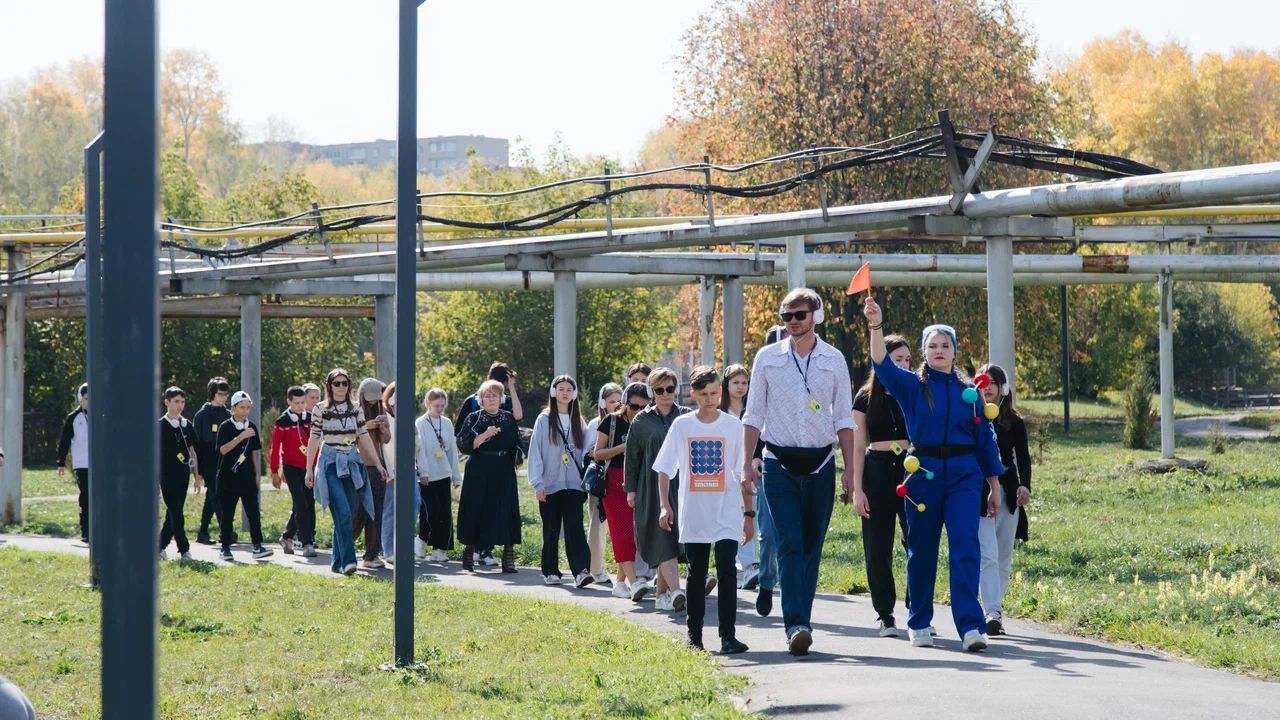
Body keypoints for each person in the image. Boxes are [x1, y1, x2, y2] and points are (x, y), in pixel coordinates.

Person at [863, 297, 1004, 652]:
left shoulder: (970, 393)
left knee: (965, 548)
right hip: (923, 473)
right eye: (932, 346)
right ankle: (919, 621)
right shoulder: (912, 386)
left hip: (964, 475)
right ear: (924, 353)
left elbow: (985, 441)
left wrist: (994, 485)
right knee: (921, 550)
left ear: (955, 352)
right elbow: (881, 362)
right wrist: (876, 326)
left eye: (946, 345)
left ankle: (970, 627)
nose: (939, 350)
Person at [742, 288, 857, 656]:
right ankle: (796, 625)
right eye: (787, 315)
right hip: (778, 462)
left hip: (822, 462)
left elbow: (843, 418)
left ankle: (801, 618)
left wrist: (850, 470)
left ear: (816, 316)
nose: (793, 322)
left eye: (800, 315)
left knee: (811, 546)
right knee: (789, 542)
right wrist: (747, 463)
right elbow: (753, 415)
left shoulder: (834, 359)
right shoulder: (767, 358)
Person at [655, 366, 752, 654]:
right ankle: (694, 636)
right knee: (697, 574)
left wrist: (748, 515)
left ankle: (728, 636)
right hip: (694, 512)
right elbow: (663, 469)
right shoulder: (682, 426)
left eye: (714, 393)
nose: (710, 399)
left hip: (727, 511)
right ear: (694, 394)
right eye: (704, 394)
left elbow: (741, 476)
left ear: (720, 392)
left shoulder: (733, 426)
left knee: (727, 572)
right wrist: (664, 505)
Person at [852, 334, 914, 637]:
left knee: (916, 540)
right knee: (878, 546)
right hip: (876, 471)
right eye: (896, 359)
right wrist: (857, 488)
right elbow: (857, 444)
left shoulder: (914, 390)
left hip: (911, 471)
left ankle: (917, 607)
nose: (902, 365)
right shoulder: (865, 397)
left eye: (906, 360)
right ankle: (885, 614)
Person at [305, 368, 385, 576]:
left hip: (351, 462)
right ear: (329, 386)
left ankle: (337, 561)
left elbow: (364, 436)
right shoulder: (320, 409)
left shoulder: (356, 408)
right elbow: (313, 439)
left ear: (349, 386)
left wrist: (377, 464)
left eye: (344, 383)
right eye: (336, 383)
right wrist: (309, 470)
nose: (341, 387)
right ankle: (349, 561)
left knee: (346, 513)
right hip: (330, 462)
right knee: (343, 511)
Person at [626, 367, 689, 612]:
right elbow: (631, 457)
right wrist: (630, 490)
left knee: (672, 539)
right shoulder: (641, 421)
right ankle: (676, 591)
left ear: (676, 389)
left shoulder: (685, 416)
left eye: (670, 389)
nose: (665, 394)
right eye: (659, 390)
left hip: (681, 485)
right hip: (650, 488)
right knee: (660, 536)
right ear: (652, 392)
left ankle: (662, 594)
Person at [975, 363, 1031, 637]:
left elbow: (1023, 458)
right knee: (987, 554)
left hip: (1008, 494)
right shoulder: (972, 417)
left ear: (1003, 389)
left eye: (993, 383)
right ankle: (989, 610)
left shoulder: (1014, 422)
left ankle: (994, 608)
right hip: (977, 493)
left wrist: (1024, 487)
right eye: (983, 382)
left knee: (1003, 555)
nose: (987, 388)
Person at [721, 364, 780, 617]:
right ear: (727, 385)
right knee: (729, 520)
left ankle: (748, 565)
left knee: (751, 516)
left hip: (749, 472)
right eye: (736, 382)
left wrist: (755, 461)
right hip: (724, 472)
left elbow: (759, 440)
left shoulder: (753, 411)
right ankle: (735, 566)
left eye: (744, 382)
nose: (741, 387)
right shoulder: (720, 412)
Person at [454, 361, 523, 567]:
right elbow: (464, 444)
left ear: (501, 399)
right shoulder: (474, 418)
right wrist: (485, 435)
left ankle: (508, 556)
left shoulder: (508, 417)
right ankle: (470, 551)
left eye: (495, 395)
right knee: (476, 507)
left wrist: (516, 453)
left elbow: (517, 441)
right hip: (479, 467)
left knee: (506, 508)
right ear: (481, 399)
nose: (492, 399)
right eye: (488, 396)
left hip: (503, 468)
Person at [528, 375, 593, 588]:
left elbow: (584, 450)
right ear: (554, 392)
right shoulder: (544, 419)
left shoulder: (578, 420)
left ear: (574, 394)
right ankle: (550, 571)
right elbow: (535, 452)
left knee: (575, 528)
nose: (565, 392)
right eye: (561, 389)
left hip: (574, 484)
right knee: (551, 529)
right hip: (550, 484)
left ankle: (581, 571)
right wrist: (538, 484)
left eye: (569, 389)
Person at [596, 382, 648, 600]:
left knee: (633, 536)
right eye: (634, 406)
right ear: (625, 403)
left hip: (638, 482)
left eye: (643, 407)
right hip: (614, 481)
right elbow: (597, 453)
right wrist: (622, 448)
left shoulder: (647, 422)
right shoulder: (612, 421)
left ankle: (619, 583)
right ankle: (634, 582)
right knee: (621, 533)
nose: (638, 411)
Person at [215, 391, 272, 561]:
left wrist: (257, 475)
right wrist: (240, 437)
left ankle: (257, 545)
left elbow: (254, 453)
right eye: (241, 407)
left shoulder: (252, 426)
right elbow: (223, 449)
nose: (245, 411)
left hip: (247, 477)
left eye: (248, 407)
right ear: (233, 408)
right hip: (228, 478)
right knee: (227, 514)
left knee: (253, 512)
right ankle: (225, 547)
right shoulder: (225, 426)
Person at [415, 388, 463, 562]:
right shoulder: (420, 423)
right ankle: (420, 542)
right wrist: (424, 473)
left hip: (443, 474)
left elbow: (452, 452)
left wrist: (456, 477)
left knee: (444, 514)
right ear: (428, 403)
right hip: (427, 476)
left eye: (443, 405)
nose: (440, 408)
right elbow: (420, 451)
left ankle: (439, 549)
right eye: (437, 405)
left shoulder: (447, 423)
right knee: (428, 512)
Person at [270, 386, 317, 557]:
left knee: (307, 503)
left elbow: (316, 442)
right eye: (296, 403)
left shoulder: (310, 418)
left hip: (308, 467)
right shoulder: (282, 422)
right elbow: (275, 448)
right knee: (301, 503)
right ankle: (307, 543)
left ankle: (287, 536)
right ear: (289, 401)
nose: (300, 406)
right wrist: (275, 471)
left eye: (303, 402)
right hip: (291, 468)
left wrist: (315, 465)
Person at [585, 382, 622, 584]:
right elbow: (589, 451)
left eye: (619, 401)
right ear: (602, 403)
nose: (616, 405)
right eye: (611, 401)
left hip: (619, 479)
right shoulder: (595, 424)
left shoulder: (625, 421)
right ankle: (596, 568)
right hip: (600, 479)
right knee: (597, 525)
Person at [158, 386, 202, 560]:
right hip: (166, 475)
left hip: (183, 474)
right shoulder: (160, 426)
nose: (180, 405)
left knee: (173, 511)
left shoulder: (186, 425)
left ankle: (159, 546)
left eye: (182, 402)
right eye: (176, 401)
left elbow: (193, 451)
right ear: (166, 402)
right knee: (176, 511)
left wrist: (197, 475)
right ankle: (184, 549)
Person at [353, 378, 390, 569]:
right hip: (359, 466)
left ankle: (371, 554)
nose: (373, 403)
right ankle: (343, 548)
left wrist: (382, 428)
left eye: (376, 399)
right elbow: (349, 434)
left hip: (378, 467)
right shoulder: (353, 410)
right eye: (369, 399)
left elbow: (387, 439)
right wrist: (367, 425)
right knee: (357, 511)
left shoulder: (381, 413)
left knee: (376, 511)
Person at [379, 381, 418, 563]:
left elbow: (418, 447)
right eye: (394, 404)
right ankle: (388, 550)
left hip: (410, 470)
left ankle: (402, 545)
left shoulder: (409, 420)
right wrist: (389, 473)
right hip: (391, 472)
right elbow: (384, 448)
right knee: (390, 509)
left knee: (414, 503)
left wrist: (421, 470)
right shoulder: (384, 419)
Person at [194, 377, 232, 544]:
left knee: (213, 495)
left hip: (223, 459)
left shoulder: (227, 414)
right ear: (212, 394)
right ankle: (226, 531)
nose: (224, 397)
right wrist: (197, 470)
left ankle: (203, 531)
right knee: (216, 495)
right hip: (208, 459)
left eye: (226, 394)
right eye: (220, 394)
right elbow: (197, 444)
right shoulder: (202, 415)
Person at [56, 382, 90, 544]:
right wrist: (61, 462)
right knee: (86, 495)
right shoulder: (74, 418)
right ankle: (85, 529)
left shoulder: (102, 415)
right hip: (82, 464)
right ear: (80, 399)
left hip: (99, 465)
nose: (88, 402)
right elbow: (64, 441)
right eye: (85, 399)